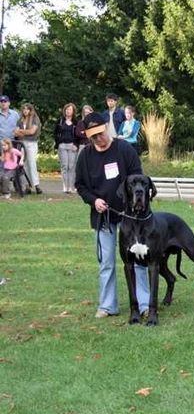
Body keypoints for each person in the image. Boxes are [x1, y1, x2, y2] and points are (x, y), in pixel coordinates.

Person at [75, 112, 149, 319]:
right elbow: (80, 185)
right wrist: (93, 201)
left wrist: (132, 201)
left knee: (138, 260)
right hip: (103, 216)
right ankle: (108, 305)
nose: (98, 138)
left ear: (107, 127)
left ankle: (143, 304)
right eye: (93, 136)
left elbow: (138, 177)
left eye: (100, 133)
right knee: (106, 263)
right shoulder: (86, 156)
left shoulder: (124, 149)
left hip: (130, 215)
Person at [15, 103, 43, 194]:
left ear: (30, 110)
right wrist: (22, 132)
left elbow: (32, 131)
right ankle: (28, 186)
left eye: (27, 109)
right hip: (22, 143)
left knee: (32, 163)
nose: (25, 110)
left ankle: (36, 185)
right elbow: (15, 133)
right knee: (24, 165)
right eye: (24, 109)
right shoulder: (20, 120)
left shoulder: (35, 119)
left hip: (31, 143)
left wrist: (21, 131)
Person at [54, 103, 78, 193]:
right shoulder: (60, 121)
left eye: (70, 109)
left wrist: (76, 144)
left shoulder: (76, 122)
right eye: (67, 109)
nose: (68, 111)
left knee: (71, 167)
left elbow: (78, 135)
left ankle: (71, 187)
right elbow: (55, 133)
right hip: (62, 146)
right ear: (65, 111)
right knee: (64, 166)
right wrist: (58, 143)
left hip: (72, 146)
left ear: (73, 111)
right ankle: (65, 186)